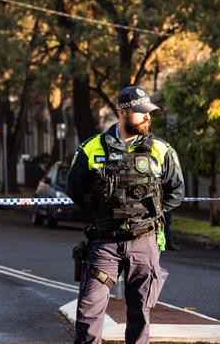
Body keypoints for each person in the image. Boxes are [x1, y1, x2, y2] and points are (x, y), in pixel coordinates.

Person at [66, 85, 184, 344]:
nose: (147, 117)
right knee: (88, 312)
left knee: (140, 313)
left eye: (149, 112)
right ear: (122, 111)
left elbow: (176, 191)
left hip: (145, 242)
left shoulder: (161, 149)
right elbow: (74, 189)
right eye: (141, 112)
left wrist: (148, 214)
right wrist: (101, 214)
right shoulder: (92, 148)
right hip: (104, 243)